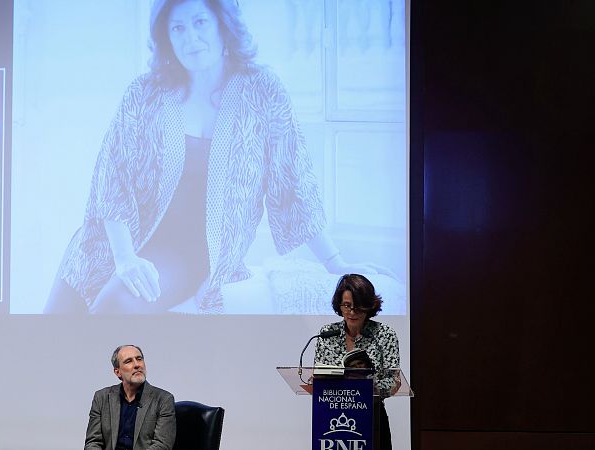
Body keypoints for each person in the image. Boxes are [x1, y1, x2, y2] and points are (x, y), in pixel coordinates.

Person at [46, 0, 392, 315]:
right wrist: (123, 256)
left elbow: (293, 183)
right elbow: (112, 177)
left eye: (200, 22)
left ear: (223, 25)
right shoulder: (145, 91)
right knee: (51, 326)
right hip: (112, 240)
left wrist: (335, 262)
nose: (190, 37)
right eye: (178, 28)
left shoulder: (262, 91)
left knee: (113, 307)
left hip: (185, 252)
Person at [314, 274, 400, 450]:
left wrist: (369, 387)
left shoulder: (385, 334)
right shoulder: (327, 333)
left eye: (358, 306)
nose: (352, 312)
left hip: (372, 416)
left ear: (369, 305)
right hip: (331, 415)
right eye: (347, 305)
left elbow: (394, 381)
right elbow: (318, 375)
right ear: (339, 305)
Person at [85, 345, 176, 450]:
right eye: (128, 361)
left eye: (139, 359)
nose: (137, 365)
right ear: (118, 372)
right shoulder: (101, 398)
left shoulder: (164, 399)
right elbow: (93, 442)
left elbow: (162, 445)